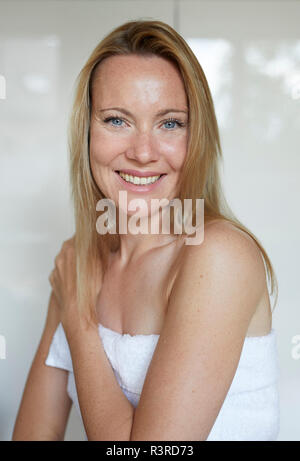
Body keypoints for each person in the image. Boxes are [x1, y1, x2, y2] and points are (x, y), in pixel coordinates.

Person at [12, 19, 280, 441]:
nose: (142, 152)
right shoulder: (76, 263)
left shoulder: (218, 256)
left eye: (170, 123)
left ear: (198, 139)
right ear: (86, 135)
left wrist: (80, 323)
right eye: (117, 120)